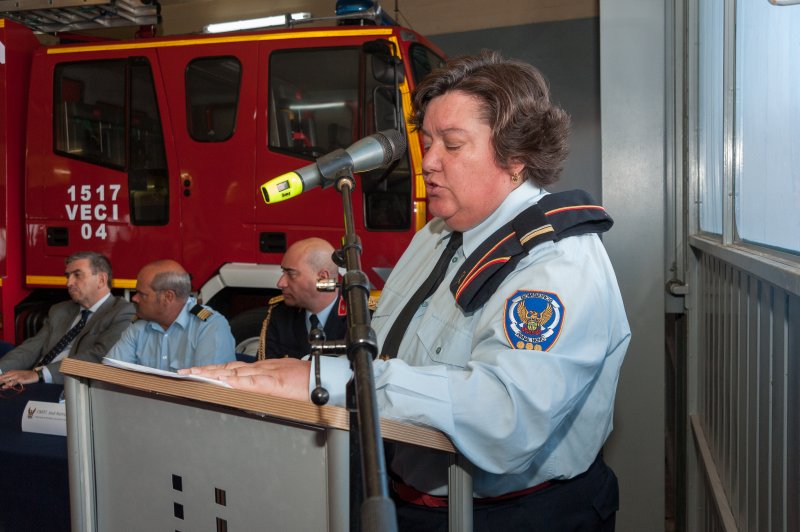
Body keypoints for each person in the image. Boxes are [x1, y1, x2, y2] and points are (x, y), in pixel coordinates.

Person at [182, 51, 630, 531]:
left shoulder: (558, 262)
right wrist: (297, 375)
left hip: (515, 516)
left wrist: (340, 383)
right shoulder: (433, 236)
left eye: (452, 145)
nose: (428, 162)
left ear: (516, 156)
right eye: (427, 142)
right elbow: (387, 349)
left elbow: (508, 417)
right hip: (408, 499)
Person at [0, 251, 135, 388]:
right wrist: (1, 370)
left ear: (101, 280)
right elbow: (31, 348)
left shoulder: (122, 312)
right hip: (34, 381)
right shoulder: (60, 310)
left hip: (72, 388)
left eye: (77, 275)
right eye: (68, 276)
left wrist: (40, 374)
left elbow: (100, 356)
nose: (69, 283)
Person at [106, 259, 235, 370]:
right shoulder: (139, 325)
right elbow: (110, 372)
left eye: (142, 294)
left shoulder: (209, 327)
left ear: (168, 297)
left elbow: (208, 386)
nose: (135, 298)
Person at [257, 237, 347, 360]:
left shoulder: (360, 315)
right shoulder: (280, 313)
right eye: (283, 273)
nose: (280, 283)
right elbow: (265, 367)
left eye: (291, 274)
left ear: (323, 278)